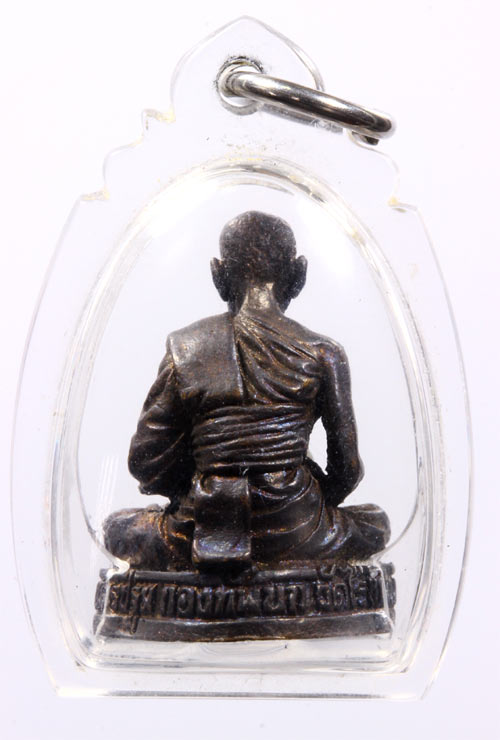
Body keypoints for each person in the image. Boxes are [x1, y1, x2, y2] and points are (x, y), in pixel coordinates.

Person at [104, 211, 389, 572]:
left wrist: (197, 488)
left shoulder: (186, 347)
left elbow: (146, 462)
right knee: (375, 524)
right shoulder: (324, 353)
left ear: (218, 275)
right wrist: (307, 503)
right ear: (299, 274)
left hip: (198, 528)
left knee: (118, 529)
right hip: (301, 526)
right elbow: (348, 470)